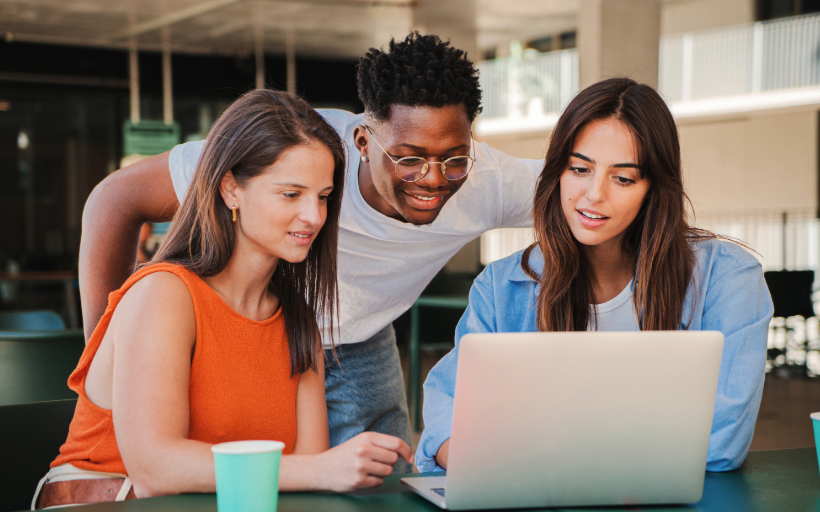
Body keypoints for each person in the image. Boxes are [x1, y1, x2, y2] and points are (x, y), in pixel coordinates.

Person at [78, 32, 541, 473]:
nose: (434, 177)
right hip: (227, 325)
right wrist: (114, 359)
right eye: (409, 157)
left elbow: (592, 193)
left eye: (323, 197)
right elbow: (114, 200)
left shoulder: (487, 180)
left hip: (327, 328)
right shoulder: (297, 148)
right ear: (362, 141)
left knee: (370, 484)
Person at [33, 90, 411, 509]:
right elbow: (156, 471)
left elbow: (304, 477)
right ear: (231, 188)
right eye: (291, 194)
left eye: (322, 196)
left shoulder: (299, 318)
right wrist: (325, 468)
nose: (314, 216)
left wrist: (327, 469)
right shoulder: (163, 293)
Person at [416, 77, 774, 474]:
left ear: (653, 188)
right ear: (557, 173)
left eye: (623, 178)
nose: (593, 195)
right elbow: (448, 416)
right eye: (580, 169)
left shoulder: (728, 278)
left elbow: (721, 443)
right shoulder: (502, 288)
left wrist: (530, 450)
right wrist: (472, 454)